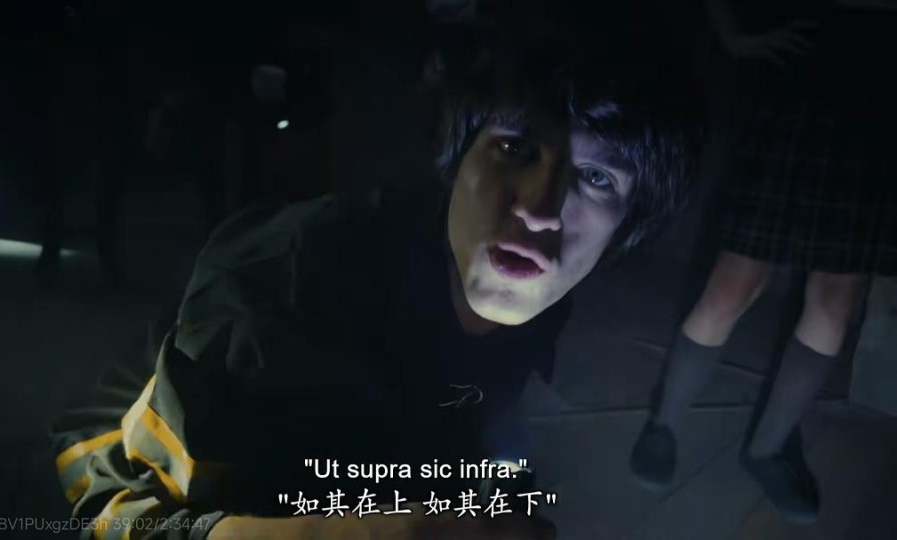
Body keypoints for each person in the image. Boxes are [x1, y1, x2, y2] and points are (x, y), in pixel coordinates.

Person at [50, 13, 702, 539]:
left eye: (597, 178)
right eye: (516, 148)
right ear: (458, 156)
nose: (539, 208)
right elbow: (104, 497)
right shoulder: (284, 292)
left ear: (627, 228)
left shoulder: (540, 295)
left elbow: (469, 421)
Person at [630, 0, 897, 526]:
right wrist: (727, 29)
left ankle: (768, 449)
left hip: (884, 84)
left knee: (838, 295)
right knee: (734, 280)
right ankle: (664, 423)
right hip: (806, 62)